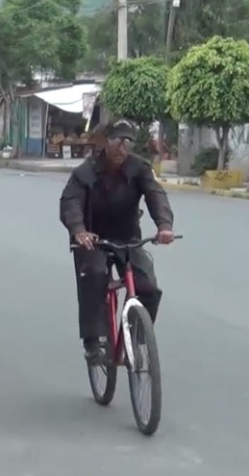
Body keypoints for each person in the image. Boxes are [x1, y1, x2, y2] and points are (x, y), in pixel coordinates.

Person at [59, 119, 176, 362]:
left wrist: (164, 226)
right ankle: (93, 342)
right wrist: (79, 231)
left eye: (128, 143)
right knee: (94, 275)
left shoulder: (139, 168)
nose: (122, 149)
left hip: (127, 238)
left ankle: (136, 337)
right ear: (105, 142)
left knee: (149, 287)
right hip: (92, 239)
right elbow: (70, 203)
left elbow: (156, 196)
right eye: (117, 141)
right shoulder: (85, 172)